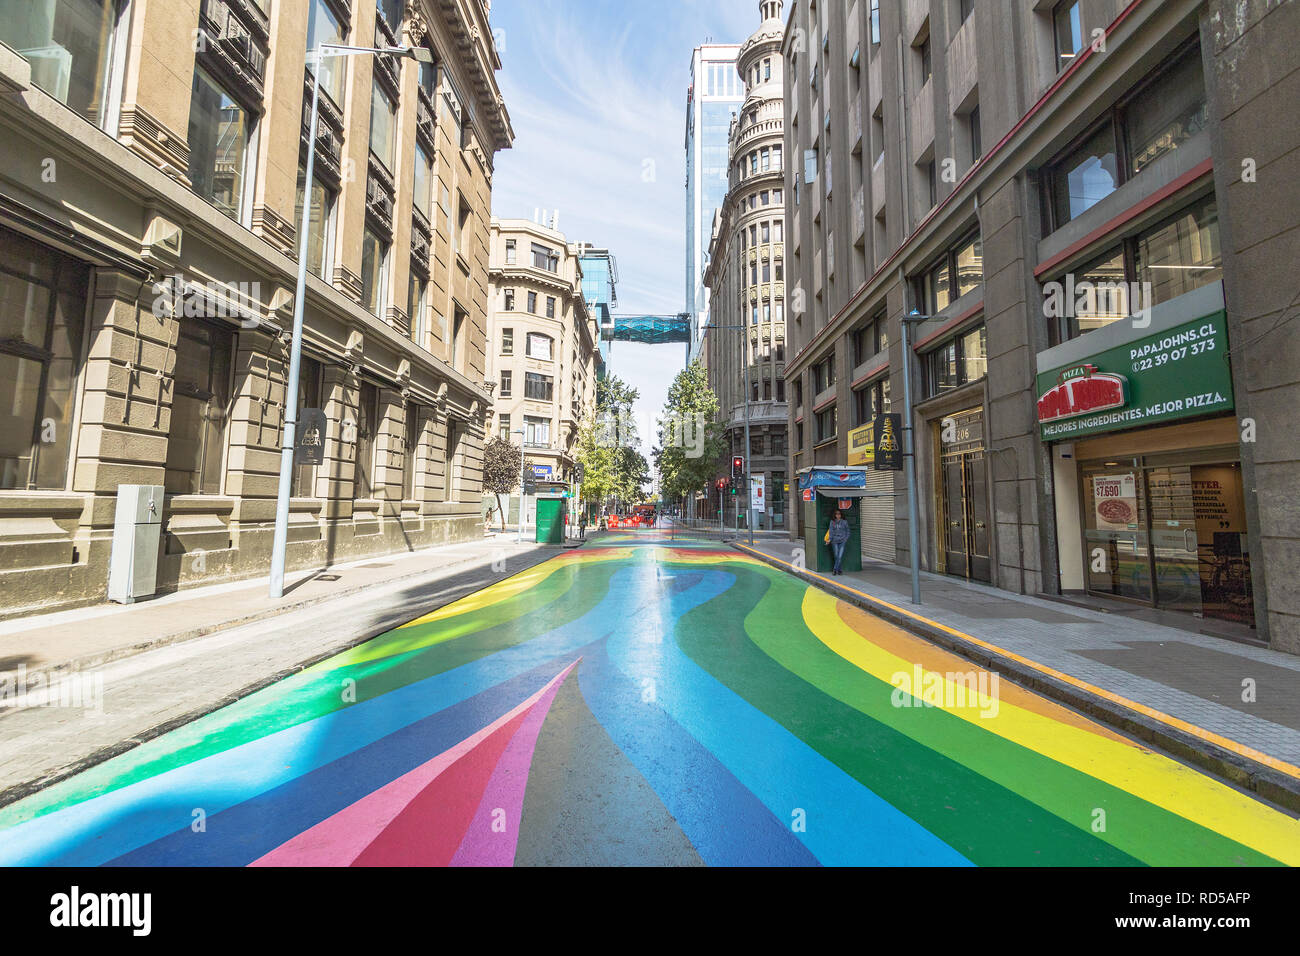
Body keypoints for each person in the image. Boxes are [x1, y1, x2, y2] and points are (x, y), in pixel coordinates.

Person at [827, 509, 851, 575]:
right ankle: (839, 570)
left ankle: (835, 570)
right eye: (836, 514)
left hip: (842, 541)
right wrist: (829, 539)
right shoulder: (832, 522)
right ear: (834, 515)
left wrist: (845, 539)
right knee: (836, 556)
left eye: (839, 514)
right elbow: (831, 532)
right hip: (834, 541)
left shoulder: (844, 522)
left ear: (841, 515)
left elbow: (848, 531)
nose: (838, 515)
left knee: (839, 556)